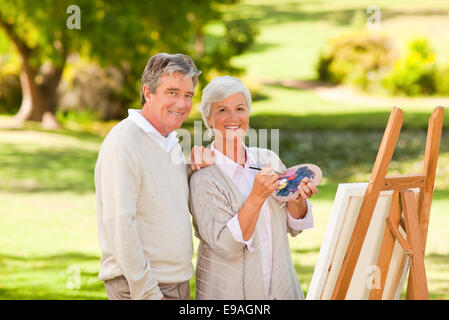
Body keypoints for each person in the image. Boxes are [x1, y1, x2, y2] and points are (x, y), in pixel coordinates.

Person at [95, 53, 212, 300]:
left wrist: (190, 168)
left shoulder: (169, 141)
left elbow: (162, 197)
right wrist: (147, 292)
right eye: (172, 92)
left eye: (188, 95)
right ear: (148, 93)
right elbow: (119, 224)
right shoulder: (124, 141)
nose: (182, 104)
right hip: (140, 287)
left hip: (175, 282)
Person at [189, 76, 318, 300]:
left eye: (240, 108)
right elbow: (226, 246)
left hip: (279, 287)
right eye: (222, 110)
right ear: (208, 119)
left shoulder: (268, 159)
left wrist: (298, 200)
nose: (233, 118)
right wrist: (256, 196)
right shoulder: (204, 177)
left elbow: (294, 226)